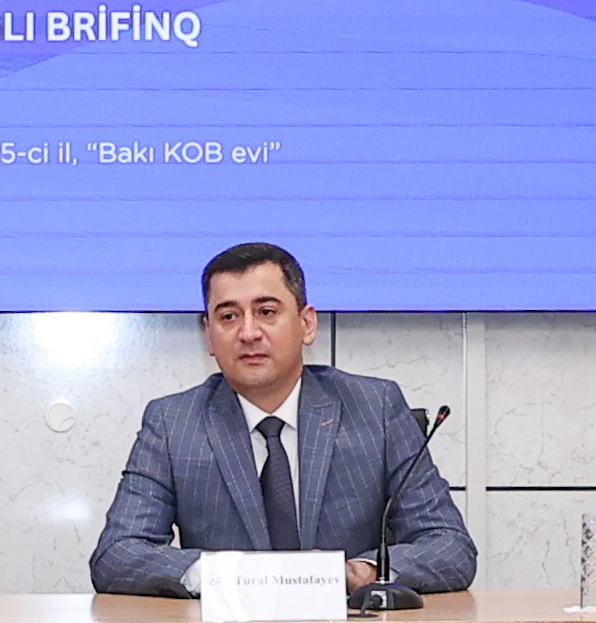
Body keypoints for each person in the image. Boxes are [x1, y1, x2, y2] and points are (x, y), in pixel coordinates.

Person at [90, 240, 475, 597]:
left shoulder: (376, 408)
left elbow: (450, 546)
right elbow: (117, 554)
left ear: (307, 324)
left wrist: (360, 573)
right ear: (209, 335)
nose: (248, 332)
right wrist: (220, 574)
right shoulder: (173, 423)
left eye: (266, 312)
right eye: (228, 316)